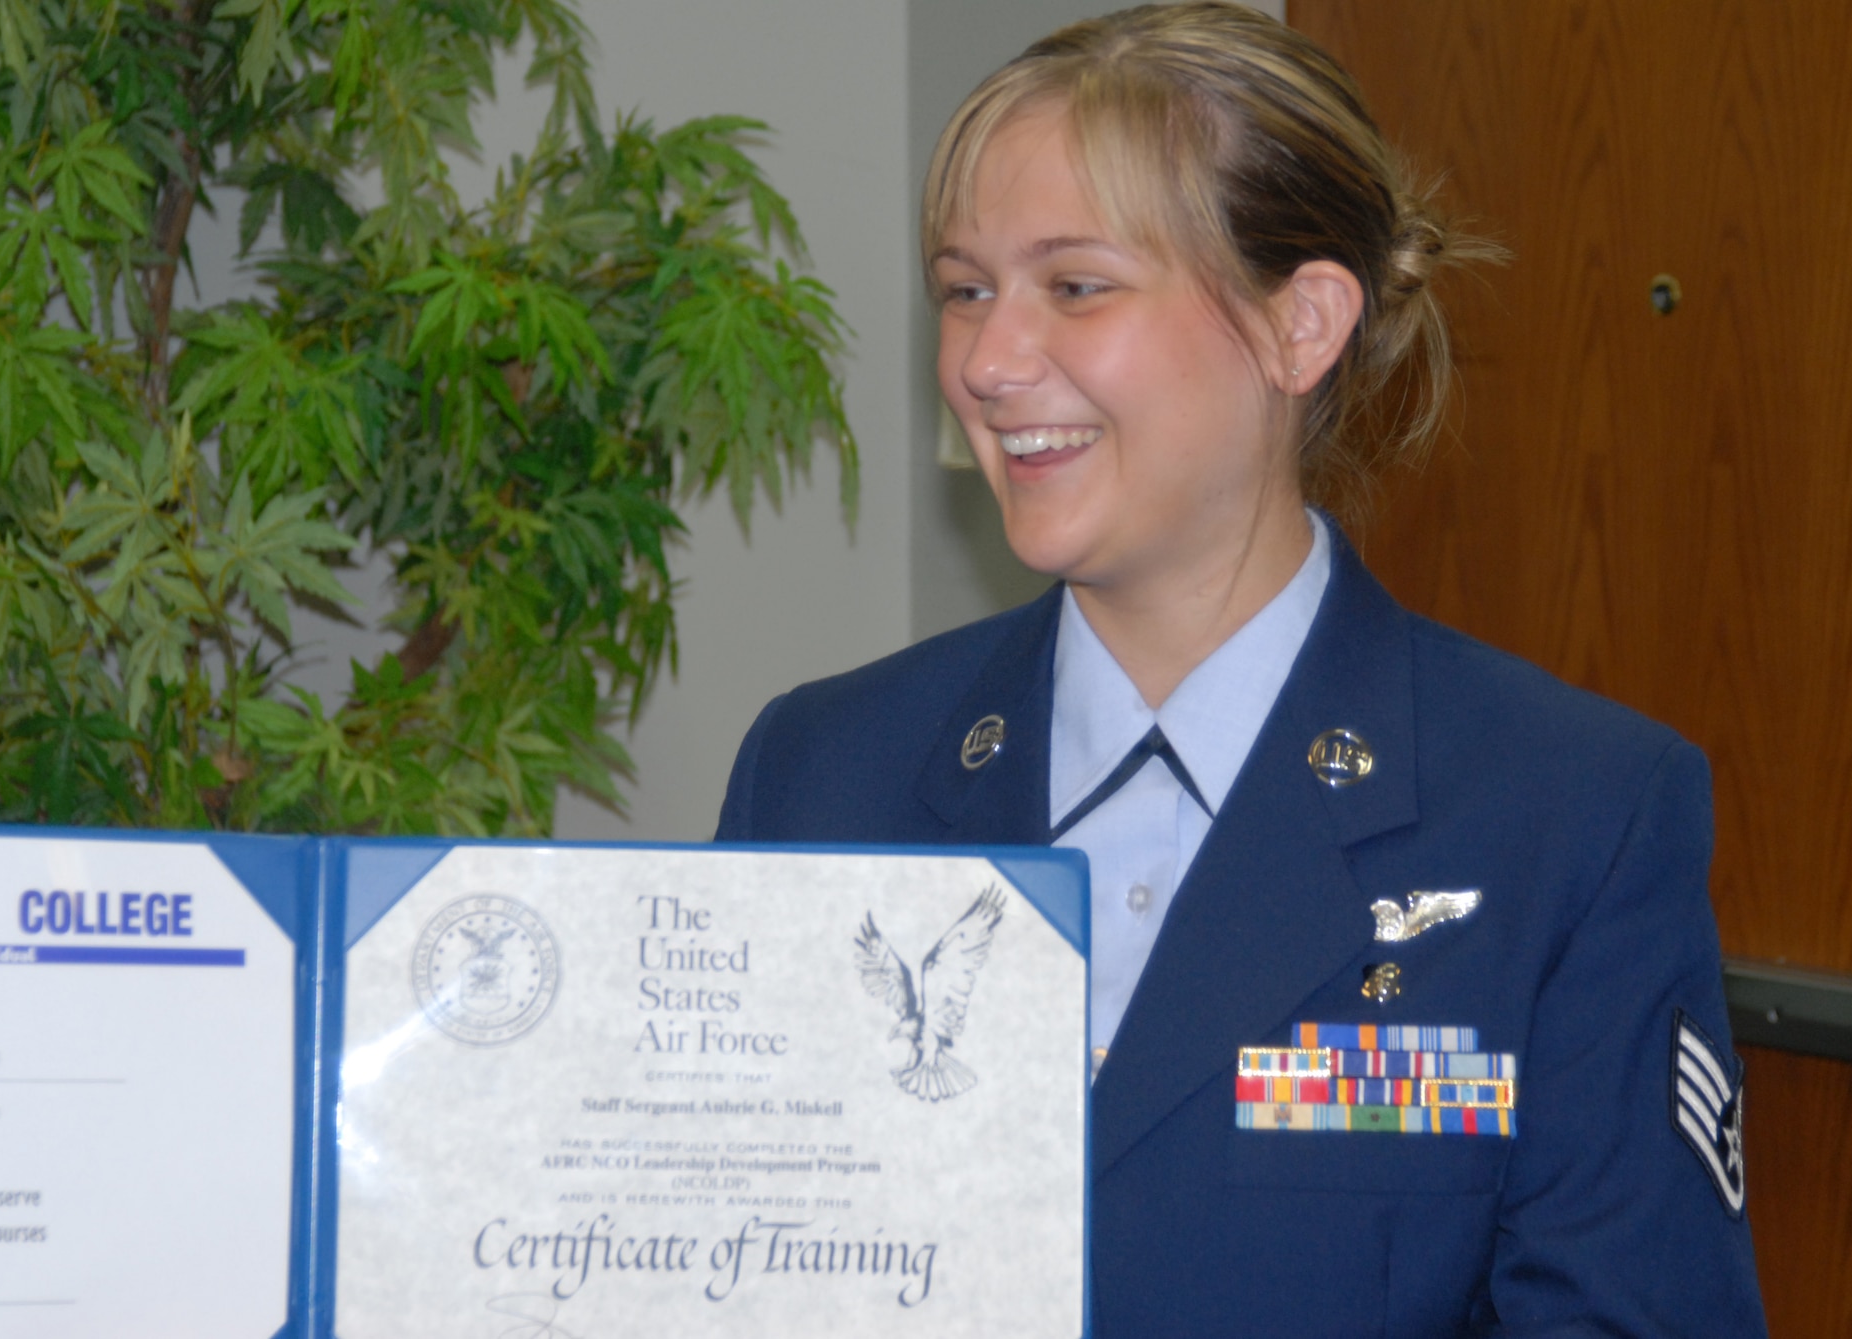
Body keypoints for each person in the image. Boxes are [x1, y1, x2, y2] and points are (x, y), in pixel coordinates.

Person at [717, 4, 1767, 1333]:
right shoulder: (821, 774)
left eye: (1076, 286)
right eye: (965, 290)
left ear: (1301, 325)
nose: (986, 362)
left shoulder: (1567, 817)